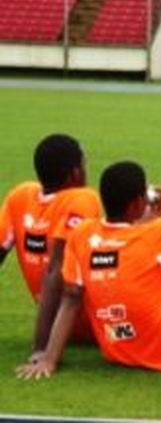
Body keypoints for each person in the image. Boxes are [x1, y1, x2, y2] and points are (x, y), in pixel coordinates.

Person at [15, 161, 161, 378]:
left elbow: (71, 298)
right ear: (137, 203)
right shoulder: (158, 233)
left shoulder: (82, 235)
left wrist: (49, 359)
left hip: (119, 349)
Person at [0, 134, 102, 353]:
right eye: (84, 163)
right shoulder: (83, 199)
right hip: (97, 326)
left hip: (59, 326)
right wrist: (41, 347)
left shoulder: (20, 196)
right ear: (75, 173)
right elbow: (55, 269)